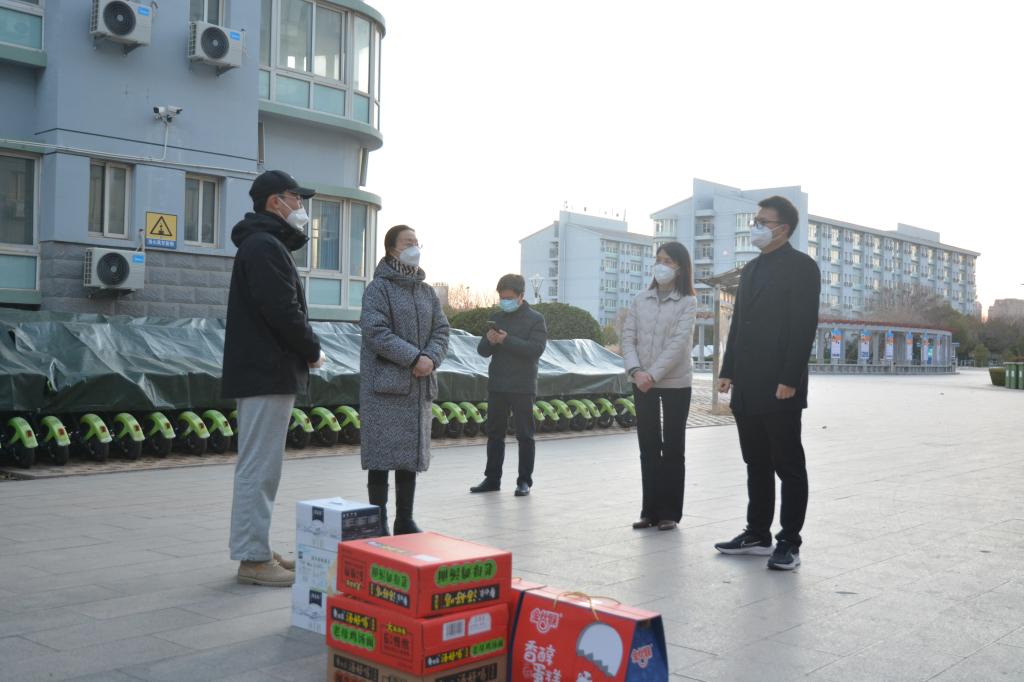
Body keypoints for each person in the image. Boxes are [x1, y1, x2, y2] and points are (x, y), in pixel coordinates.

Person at [222, 170, 325, 587]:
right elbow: (283, 310)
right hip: (266, 371)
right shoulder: (264, 246)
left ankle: (258, 547)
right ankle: (252, 558)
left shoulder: (265, 244)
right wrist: (312, 349)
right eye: (296, 198)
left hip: (265, 370)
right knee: (259, 468)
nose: (301, 207)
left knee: (262, 466)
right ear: (274, 202)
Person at [714, 195, 821, 570]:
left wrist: (790, 378)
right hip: (748, 383)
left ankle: (789, 541)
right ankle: (757, 533)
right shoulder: (752, 269)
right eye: (755, 220)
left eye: (763, 221)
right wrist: (727, 370)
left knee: (788, 465)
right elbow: (739, 324)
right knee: (755, 461)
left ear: (783, 228)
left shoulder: (802, 268)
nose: (755, 226)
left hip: (780, 385)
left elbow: (803, 327)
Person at [360, 225, 449, 535]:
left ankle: (405, 519)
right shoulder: (378, 289)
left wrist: (431, 359)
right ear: (392, 249)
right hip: (385, 388)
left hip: (418, 387)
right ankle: (378, 520)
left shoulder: (426, 292)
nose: (415, 247)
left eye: (417, 242)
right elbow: (375, 332)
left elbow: (442, 330)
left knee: (409, 456)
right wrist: (414, 358)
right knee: (381, 457)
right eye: (408, 242)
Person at [621, 242, 697, 531]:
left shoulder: (688, 302)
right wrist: (636, 371)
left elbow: (679, 344)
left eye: (668, 261)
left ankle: (669, 513)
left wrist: (652, 374)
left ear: (680, 267)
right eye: (659, 259)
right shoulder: (640, 299)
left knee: (673, 447)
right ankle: (649, 510)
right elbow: (628, 338)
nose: (661, 265)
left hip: (675, 383)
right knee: (648, 446)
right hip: (641, 382)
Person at [470, 274, 548, 497]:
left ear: (521, 296)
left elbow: (535, 350)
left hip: (523, 385)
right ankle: (492, 479)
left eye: (509, 298)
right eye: (502, 298)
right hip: (498, 384)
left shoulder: (536, 319)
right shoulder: (497, 317)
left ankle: (524, 481)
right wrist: (490, 340)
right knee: (494, 433)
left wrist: (506, 340)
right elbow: (482, 351)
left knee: (525, 435)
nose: (505, 302)